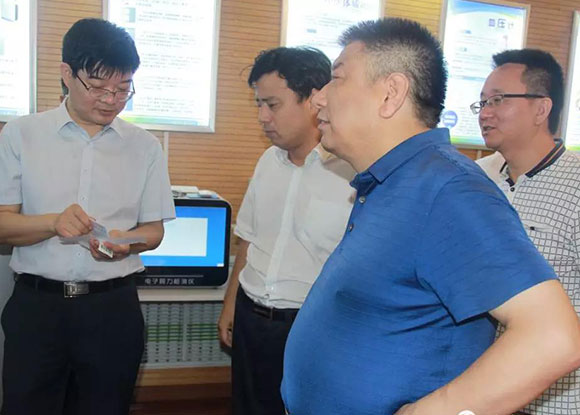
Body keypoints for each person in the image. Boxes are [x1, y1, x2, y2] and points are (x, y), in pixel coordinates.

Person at [281, 17, 580, 415]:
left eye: (337, 78)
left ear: (391, 94)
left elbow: (552, 336)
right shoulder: (390, 181)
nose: (319, 99)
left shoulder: (447, 190)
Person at [0, 18, 175, 415]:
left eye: (123, 88)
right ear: (67, 73)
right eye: (97, 87)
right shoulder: (21, 135)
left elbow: (153, 231)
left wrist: (123, 242)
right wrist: (51, 223)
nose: (111, 99)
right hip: (38, 308)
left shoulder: (145, 147)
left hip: (111, 310)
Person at [217, 47, 355, 415]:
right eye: (259, 104)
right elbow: (248, 238)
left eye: (272, 105)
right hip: (251, 317)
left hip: (310, 326)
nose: (262, 117)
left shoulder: (350, 172)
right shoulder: (268, 161)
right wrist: (230, 305)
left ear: (313, 100)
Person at [475, 49, 580, 415]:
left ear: (541, 109)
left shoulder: (576, 183)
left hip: (559, 402)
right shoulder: (479, 181)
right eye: (482, 102)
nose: (485, 113)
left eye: (498, 100)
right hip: (487, 393)